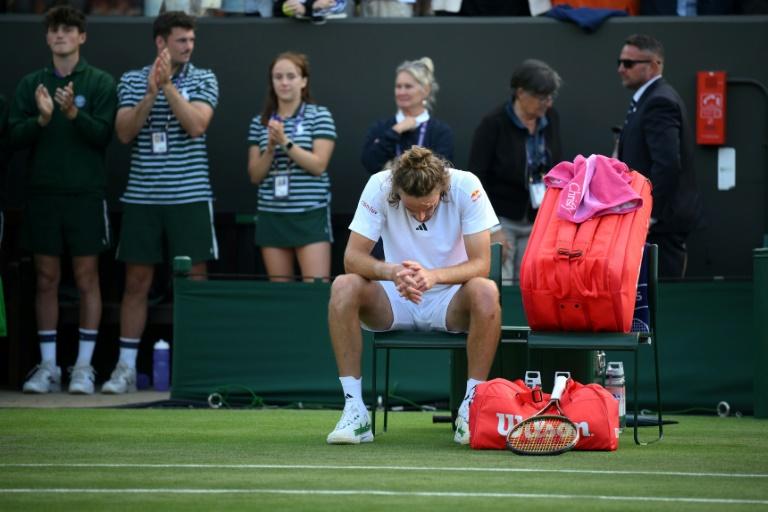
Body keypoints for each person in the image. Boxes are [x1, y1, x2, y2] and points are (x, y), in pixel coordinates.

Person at [326, 146, 501, 445]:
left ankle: (472, 408)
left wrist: (434, 276)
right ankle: (354, 410)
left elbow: (481, 264)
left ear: (442, 188)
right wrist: (393, 272)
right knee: (343, 285)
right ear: (396, 192)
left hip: (450, 301)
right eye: (412, 209)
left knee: (486, 290)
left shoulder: (465, 185)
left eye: (429, 207)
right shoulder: (379, 186)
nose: (422, 215)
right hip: (395, 300)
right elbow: (352, 259)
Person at [105, 10, 219, 393]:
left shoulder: (204, 78)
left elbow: (196, 125)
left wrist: (168, 86)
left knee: (195, 280)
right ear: (161, 42)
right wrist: (151, 90)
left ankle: (198, 367)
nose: (188, 46)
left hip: (189, 196)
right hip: (142, 197)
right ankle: (123, 368)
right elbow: (123, 132)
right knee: (136, 282)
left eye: (191, 40)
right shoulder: (132, 79)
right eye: (181, 40)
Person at [9, 6, 116, 395]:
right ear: (47, 37)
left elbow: (105, 136)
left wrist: (72, 114)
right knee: (46, 279)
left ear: (81, 37)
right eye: (54, 30)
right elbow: (12, 139)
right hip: (43, 195)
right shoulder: (31, 84)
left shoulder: (100, 82)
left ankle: (84, 367)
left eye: (69, 30)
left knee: (88, 278)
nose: (61, 35)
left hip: (86, 196)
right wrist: (40, 119)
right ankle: (49, 366)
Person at [468, 59, 562, 283]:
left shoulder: (551, 118)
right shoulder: (493, 124)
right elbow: (476, 179)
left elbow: (557, 168)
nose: (547, 103)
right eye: (542, 97)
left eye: (550, 97)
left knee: (531, 281)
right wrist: (492, 228)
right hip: (502, 218)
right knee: (503, 281)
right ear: (521, 92)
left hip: (537, 218)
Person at [616, 34, 703, 278]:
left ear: (654, 65)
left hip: (661, 225)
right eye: (620, 62)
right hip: (655, 222)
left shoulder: (659, 101)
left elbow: (667, 165)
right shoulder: (650, 99)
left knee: (664, 300)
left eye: (629, 63)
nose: (622, 69)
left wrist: (649, 215)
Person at [247, 52, 336, 282]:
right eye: (278, 77)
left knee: (315, 289)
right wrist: (269, 148)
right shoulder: (260, 122)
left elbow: (319, 165)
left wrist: (285, 142)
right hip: (272, 215)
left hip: (309, 213)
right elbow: (255, 175)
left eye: (291, 76)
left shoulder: (320, 115)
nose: (284, 82)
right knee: (281, 293)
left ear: (303, 81)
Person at [361, 56, 453, 176]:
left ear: (426, 90)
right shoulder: (381, 127)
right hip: (388, 194)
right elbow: (370, 163)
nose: (401, 92)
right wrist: (396, 131)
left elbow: (440, 170)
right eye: (398, 86)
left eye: (408, 86)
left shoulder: (440, 131)